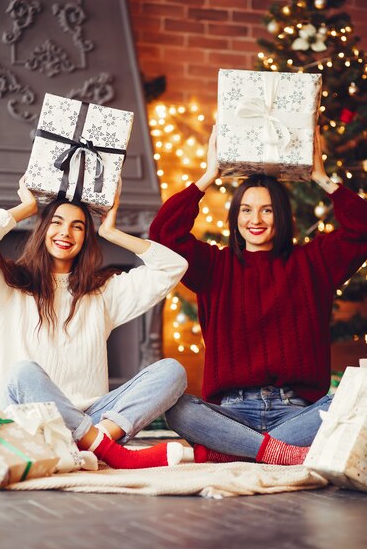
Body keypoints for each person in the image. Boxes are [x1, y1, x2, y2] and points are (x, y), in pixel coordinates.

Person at [149, 126, 367, 465]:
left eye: (267, 210)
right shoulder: (214, 266)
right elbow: (163, 234)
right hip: (233, 412)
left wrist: (322, 178)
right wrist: (208, 176)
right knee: (178, 410)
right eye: (246, 210)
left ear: (282, 216)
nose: (256, 219)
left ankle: (234, 450)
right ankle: (274, 452)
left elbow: (362, 229)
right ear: (235, 217)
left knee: (353, 401)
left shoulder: (312, 263)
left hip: (296, 413)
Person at [0, 177, 189, 470]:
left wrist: (111, 232)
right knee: (22, 373)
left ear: (86, 237)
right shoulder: (8, 285)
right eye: (56, 222)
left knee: (172, 371)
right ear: (43, 230)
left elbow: (173, 267)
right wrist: (25, 208)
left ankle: (96, 443)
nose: (65, 232)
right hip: (26, 420)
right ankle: (110, 452)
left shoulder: (102, 293)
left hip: (90, 420)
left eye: (77, 226)